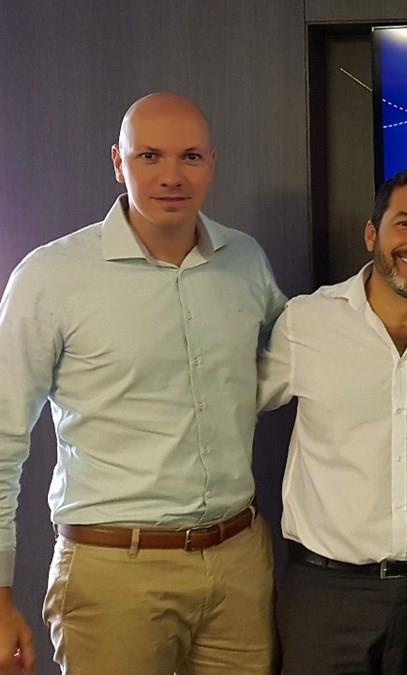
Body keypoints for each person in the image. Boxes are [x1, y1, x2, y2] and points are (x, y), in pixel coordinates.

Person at [0, 92, 285, 673]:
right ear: (118, 162)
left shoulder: (245, 259)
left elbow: (295, 357)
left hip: (239, 564)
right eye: (149, 156)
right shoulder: (51, 276)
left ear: (212, 162)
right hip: (114, 576)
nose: (171, 176)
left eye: (190, 157)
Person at [259, 167, 407, 673]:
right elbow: (230, 410)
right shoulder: (307, 320)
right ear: (372, 233)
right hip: (325, 593)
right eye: (405, 224)